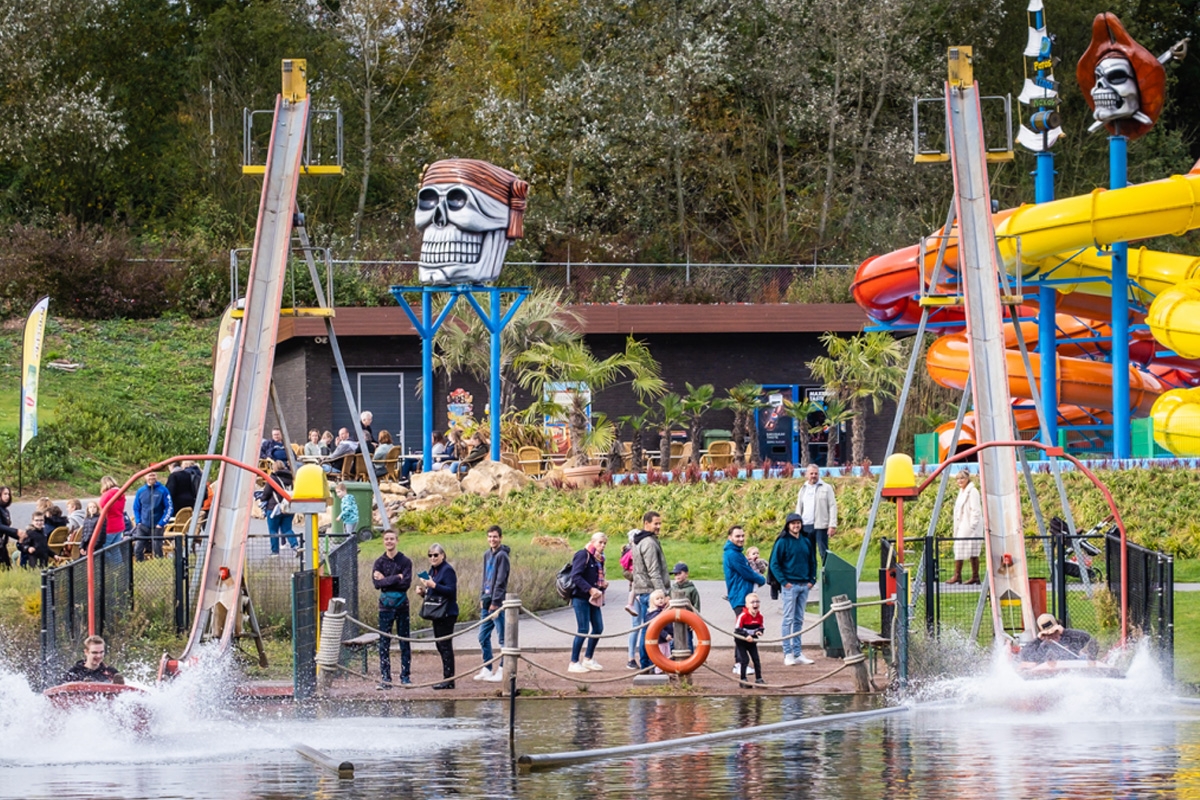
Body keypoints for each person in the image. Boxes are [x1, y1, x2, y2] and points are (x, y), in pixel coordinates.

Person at [769, 512, 817, 666]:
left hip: (804, 585)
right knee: (788, 619)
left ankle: (797, 652)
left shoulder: (806, 541)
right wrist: (784, 582)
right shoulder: (783, 542)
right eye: (793, 523)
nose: (796, 526)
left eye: (798, 523)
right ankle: (787, 653)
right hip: (790, 585)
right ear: (788, 525)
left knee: (798, 619)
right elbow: (774, 563)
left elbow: (813, 561)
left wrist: (812, 580)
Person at [372, 531, 413, 688]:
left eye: (392, 539)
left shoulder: (405, 561)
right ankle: (386, 678)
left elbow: (406, 584)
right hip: (385, 607)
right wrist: (397, 577)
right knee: (384, 643)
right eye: (386, 539)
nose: (389, 542)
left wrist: (386, 580)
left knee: (404, 641)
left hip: (402, 605)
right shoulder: (379, 562)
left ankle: (405, 676)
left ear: (397, 540)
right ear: (383, 542)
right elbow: (377, 585)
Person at [417, 543, 459, 689]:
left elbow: (451, 591)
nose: (433, 558)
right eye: (430, 555)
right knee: (440, 645)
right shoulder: (433, 570)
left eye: (436, 555)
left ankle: (449, 679)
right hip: (437, 612)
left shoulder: (447, 570)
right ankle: (447, 677)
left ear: (443, 555)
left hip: (447, 612)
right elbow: (434, 593)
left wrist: (433, 585)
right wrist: (424, 592)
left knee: (445, 645)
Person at [631, 510, 669, 670]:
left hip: (643, 589)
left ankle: (648, 664)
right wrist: (663, 594)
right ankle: (647, 664)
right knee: (650, 630)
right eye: (656, 523)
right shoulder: (648, 543)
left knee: (648, 629)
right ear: (646, 524)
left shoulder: (640, 541)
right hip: (650, 592)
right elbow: (653, 570)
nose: (659, 526)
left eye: (660, 523)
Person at [568, 531, 608, 673]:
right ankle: (573, 661)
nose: (602, 546)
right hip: (580, 597)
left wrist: (600, 586)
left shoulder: (599, 559)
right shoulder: (583, 555)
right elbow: (575, 576)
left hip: (594, 598)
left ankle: (588, 658)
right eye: (600, 542)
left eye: (604, 543)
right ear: (592, 542)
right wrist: (590, 589)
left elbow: (594, 577)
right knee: (583, 629)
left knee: (598, 628)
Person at [474, 525, 510, 682]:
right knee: (482, 636)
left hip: (497, 602)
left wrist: (496, 602)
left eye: (495, 536)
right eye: (489, 536)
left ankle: (503, 669)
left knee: (502, 637)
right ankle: (487, 667)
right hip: (487, 599)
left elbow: (501, 580)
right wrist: (483, 598)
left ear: (500, 538)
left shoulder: (503, 556)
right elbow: (485, 578)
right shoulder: (486, 555)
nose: (492, 539)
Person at [794, 464, 838, 565]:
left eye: (816, 473)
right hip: (806, 526)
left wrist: (832, 525)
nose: (814, 475)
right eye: (811, 473)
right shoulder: (803, 489)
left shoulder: (826, 488)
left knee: (823, 552)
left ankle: (826, 576)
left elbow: (832, 506)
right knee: (809, 553)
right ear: (806, 475)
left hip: (820, 526)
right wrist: (796, 525)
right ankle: (810, 578)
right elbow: (799, 508)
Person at [1020, 613, 1099, 663]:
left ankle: (1091, 660)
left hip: (1074, 665)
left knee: (1085, 656)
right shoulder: (1043, 646)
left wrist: (1065, 632)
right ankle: (1051, 660)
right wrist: (1038, 640)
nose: (1053, 635)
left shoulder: (1069, 638)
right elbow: (1024, 655)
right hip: (1052, 672)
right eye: (1049, 634)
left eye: (1055, 632)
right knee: (1045, 658)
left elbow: (1087, 637)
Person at [949, 469, 983, 585]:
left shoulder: (972, 491)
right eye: (958, 479)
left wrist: (972, 525)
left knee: (971, 549)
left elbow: (976, 509)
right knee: (959, 548)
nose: (960, 481)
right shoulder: (962, 492)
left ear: (967, 479)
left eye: (962, 478)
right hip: (962, 523)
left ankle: (974, 576)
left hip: (969, 524)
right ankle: (958, 575)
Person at [723, 525, 766, 617]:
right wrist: (761, 579)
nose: (741, 539)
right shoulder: (733, 554)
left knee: (750, 627)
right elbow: (747, 573)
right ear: (730, 537)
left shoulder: (737, 553)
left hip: (744, 595)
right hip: (740, 596)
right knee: (744, 627)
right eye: (737, 536)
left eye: (742, 536)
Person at [132, 472, 173, 561]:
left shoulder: (163, 490)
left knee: (157, 549)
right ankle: (141, 566)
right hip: (143, 525)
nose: (152, 477)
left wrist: (161, 523)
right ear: (145, 477)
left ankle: (160, 566)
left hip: (157, 526)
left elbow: (169, 508)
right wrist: (138, 522)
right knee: (138, 549)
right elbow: (136, 508)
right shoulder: (140, 491)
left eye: (153, 475)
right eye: (149, 475)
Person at [264, 460, 299, 555]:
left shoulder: (273, 478)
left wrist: (262, 499)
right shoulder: (292, 478)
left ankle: (275, 551)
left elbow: (266, 493)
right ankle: (295, 546)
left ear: (274, 468)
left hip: (274, 507)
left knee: (273, 530)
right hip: (288, 507)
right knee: (287, 528)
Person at [734, 593, 767, 687]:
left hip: (752, 640)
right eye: (752, 602)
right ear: (747, 605)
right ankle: (743, 680)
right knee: (744, 660)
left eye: (757, 602)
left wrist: (759, 632)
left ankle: (759, 678)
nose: (755, 604)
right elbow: (737, 628)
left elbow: (761, 627)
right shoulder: (743, 616)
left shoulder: (759, 616)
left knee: (756, 659)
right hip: (741, 640)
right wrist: (746, 635)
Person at [644, 589, 672, 670]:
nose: (660, 600)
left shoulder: (662, 610)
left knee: (667, 656)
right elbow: (657, 628)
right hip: (659, 639)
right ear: (653, 601)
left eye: (662, 598)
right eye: (657, 599)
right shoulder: (653, 613)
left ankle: (667, 670)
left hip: (665, 640)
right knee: (660, 656)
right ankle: (658, 672)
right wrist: (665, 635)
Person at [99, 475, 126, 551]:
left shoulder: (108, 494)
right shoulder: (121, 494)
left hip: (109, 526)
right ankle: (118, 563)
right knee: (115, 549)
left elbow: (100, 507)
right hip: (119, 524)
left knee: (103, 550)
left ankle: (109, 563)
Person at [0, 486, 16, 569]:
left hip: (2, 544)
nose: (7, 496)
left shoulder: (5, 510)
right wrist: (16, 532)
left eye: (8, 494)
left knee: (7, 568)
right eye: (5, 494)